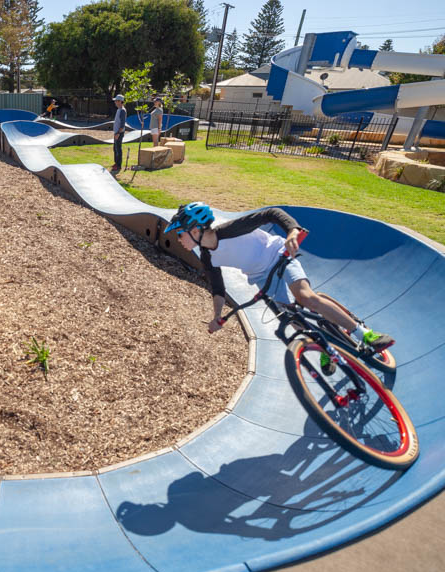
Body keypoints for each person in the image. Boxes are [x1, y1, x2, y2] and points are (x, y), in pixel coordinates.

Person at [164, 202, 395, 370]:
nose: (178, 239)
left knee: (305, 297)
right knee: (292, 320)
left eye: (180, 234)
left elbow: (270, 214)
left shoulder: (228, 229)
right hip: (262, 277)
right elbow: (218, 288)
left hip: (278, 255)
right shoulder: (207, 257)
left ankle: (366, 335)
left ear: (195, 231)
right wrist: (217, 316)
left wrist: (292, 230)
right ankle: (328, 350)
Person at [111, 94, 126, 172]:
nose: (115, 102)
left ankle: (118, 165)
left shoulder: (122, 111)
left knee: (118, 149)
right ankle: (116, 163)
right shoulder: (118, 109)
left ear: (120, 101)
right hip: (116, 132)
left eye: (116, 101)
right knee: (115, 148)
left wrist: (118, 133)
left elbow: (122, 124)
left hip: (119, 133)